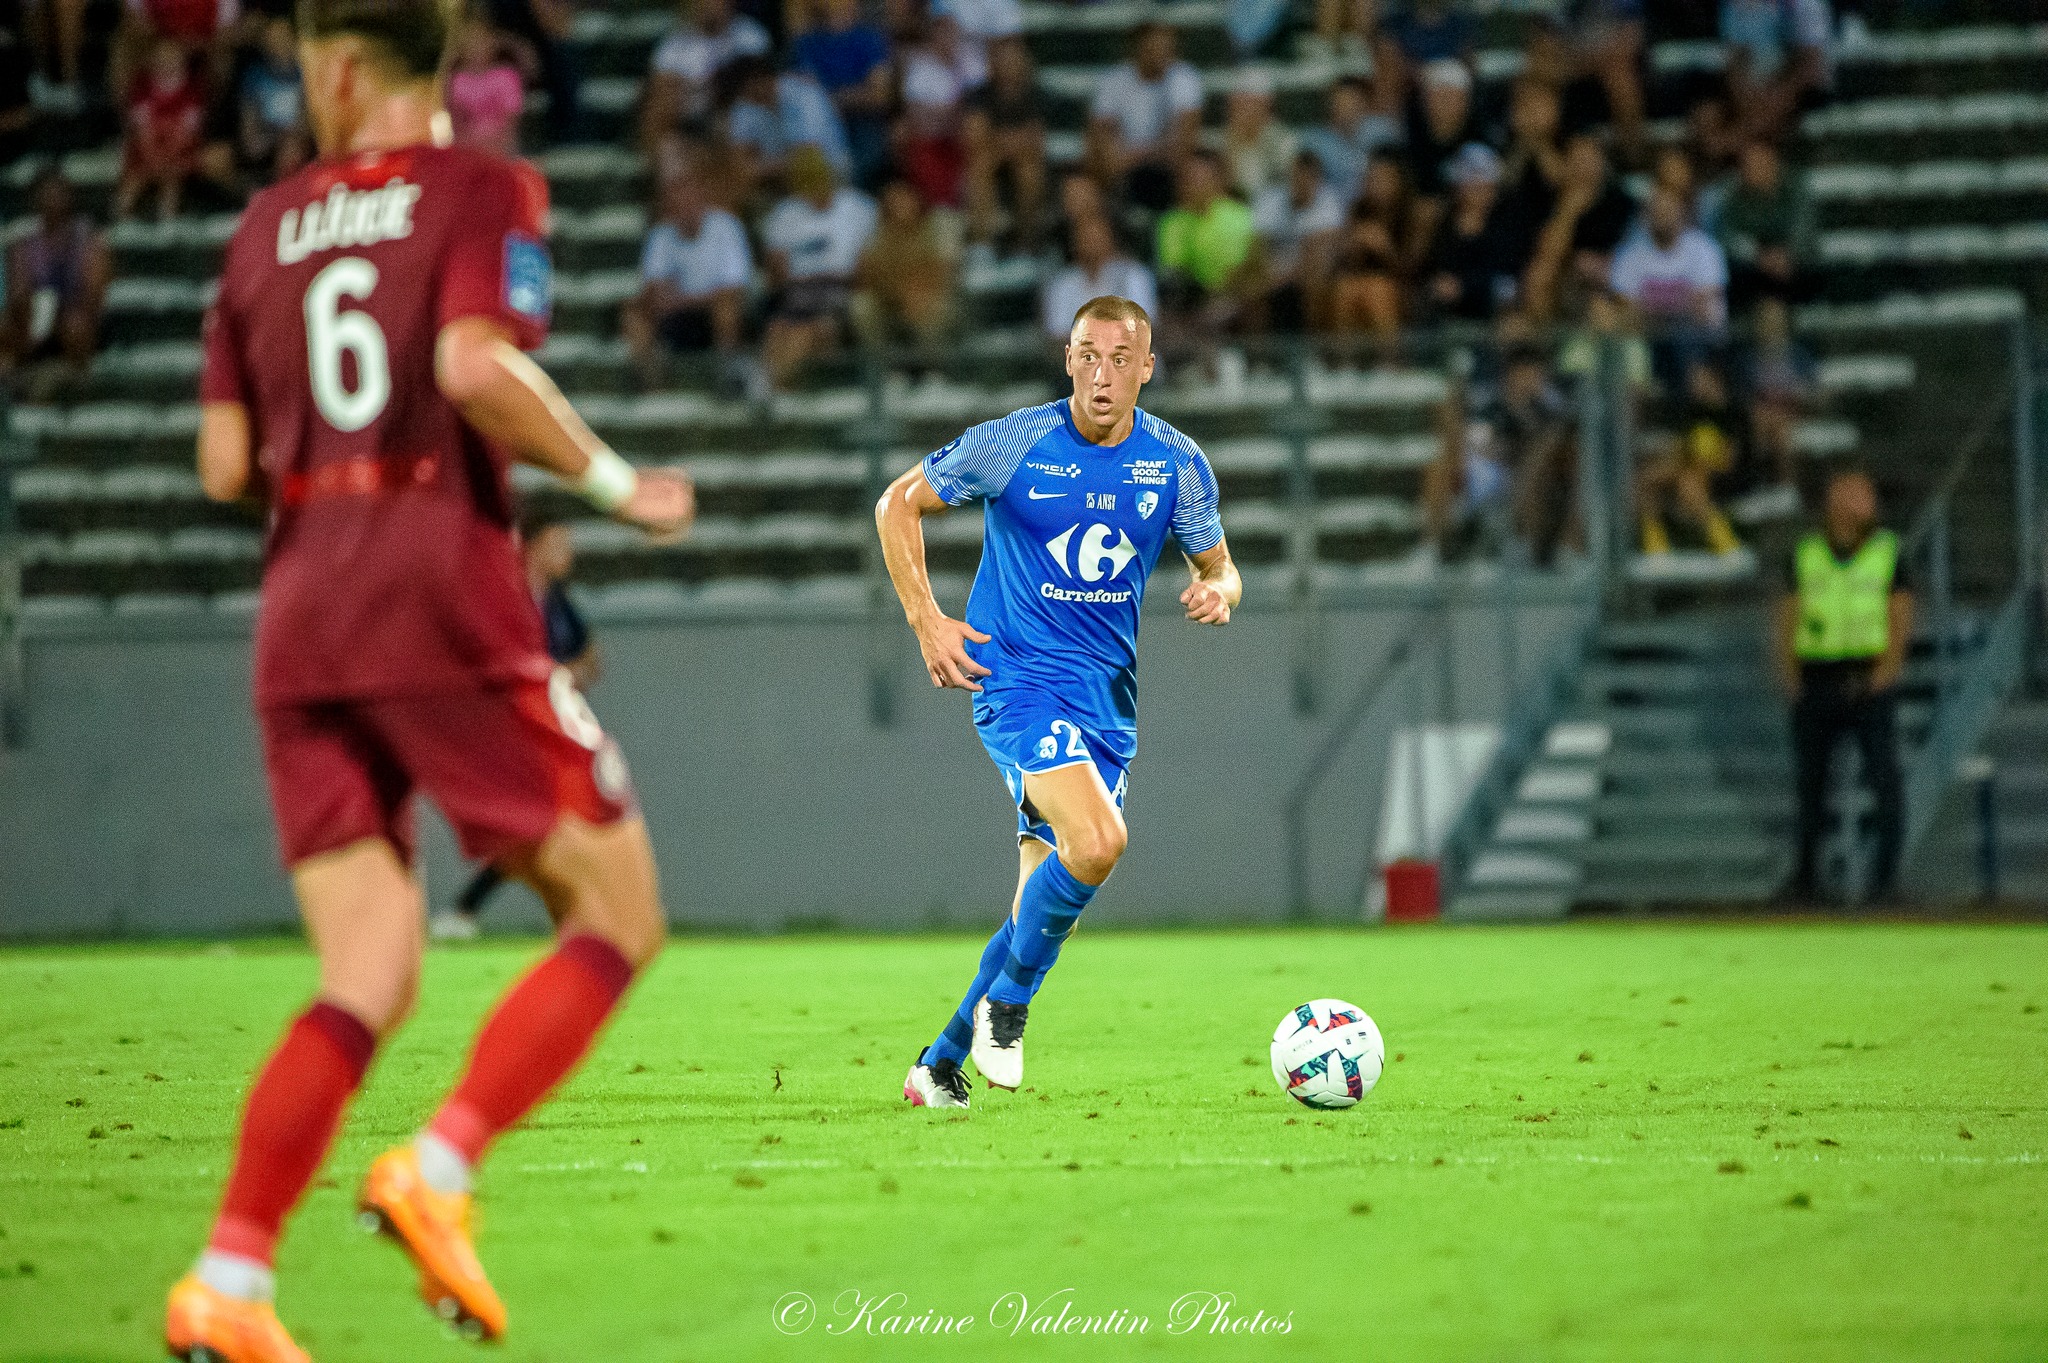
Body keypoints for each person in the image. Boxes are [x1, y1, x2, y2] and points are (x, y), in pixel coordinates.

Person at [163, 0, 695, 1356]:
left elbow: (224, 467)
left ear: (339, 70)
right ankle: (440, 1165)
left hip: (300, 620)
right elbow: (473, 363)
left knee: (369, 966)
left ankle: (230, 1277)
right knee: (618, 908)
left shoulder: (260, 225)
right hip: (437, 594)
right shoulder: (479, 186)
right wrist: (621, 484)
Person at [876, 294, 1239, 1109]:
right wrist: (928, 620)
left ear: (1148, 367)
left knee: (1040, 908)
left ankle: (938, 1066)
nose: (1101, 375)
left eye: (1120, 359)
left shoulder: (1176, 462)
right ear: (1067, 358)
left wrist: (1221, 588)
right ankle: (1009, 1008)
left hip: (1107, 703)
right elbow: (896, 503)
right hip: (1016, 683)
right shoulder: (1015, 443)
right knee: (1102, 840)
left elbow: (1220, 563)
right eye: (1086, 355)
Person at [431, 502, 603, 942]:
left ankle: (479, 911)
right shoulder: (501, 595)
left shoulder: (558, 601)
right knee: (541, 821)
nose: (569, 553)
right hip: (503, 726)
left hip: (547, 723)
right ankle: (565, 915)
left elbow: (589, 659)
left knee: (549, 821)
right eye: (560, 543)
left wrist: (562, 678)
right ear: (535, 545)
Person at [1776, 468, 1912, 905]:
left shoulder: (1888, 552)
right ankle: (1806, 880)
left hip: (1867, 678)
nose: (1863, 502)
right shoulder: (1808, 552)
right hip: (1818, 678)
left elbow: (1901, 614)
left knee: (1884, 781)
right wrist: (1791, 676)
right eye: (1854, 493)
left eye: (1866, 494)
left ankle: (1884, 883)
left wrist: (1886, 672)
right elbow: (1788, 614)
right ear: (1833, 498)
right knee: (1811, 786)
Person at [759, 143, 878, 391]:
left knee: (807, 333)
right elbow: (776, 273)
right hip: (798, 294)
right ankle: (773, 391)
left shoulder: (859, 209)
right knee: (777, 330)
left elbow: (868, 265)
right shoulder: (785, 214)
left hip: (840, 291)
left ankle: (776, 391)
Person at [621, 172, 750, 388]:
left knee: (726, 307)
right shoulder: (661, 236)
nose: (684, 208)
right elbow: (653, 293)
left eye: (689, 200)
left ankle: (729, 376)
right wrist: (682, 299)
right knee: (633, 316)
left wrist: (681, 298)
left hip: (715, 317)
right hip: (679, 318)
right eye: (677, 203)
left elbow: (733, 289)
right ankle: (653, 389)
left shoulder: (725, 227)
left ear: (701, 199)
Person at [1, 165, 110, 395]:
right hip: (35, 316)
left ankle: (72, 371)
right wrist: (31, 308)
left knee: (75, 325)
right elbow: (18, 289)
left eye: (58, 193)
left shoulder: (89, 241)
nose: (52, 200)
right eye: (46, 194)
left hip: (74, 315)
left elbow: (95, 294)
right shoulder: (24, 246)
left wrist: (60, 310)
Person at [1084, 22, 1201, 214]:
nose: (1161, 55)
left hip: (1165, 168)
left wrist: (1139, 154)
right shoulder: (1113, 81)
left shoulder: (1184, 78)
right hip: (1125, 167)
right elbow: (1101, 135)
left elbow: (1185, 141)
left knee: (1191, 166)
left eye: (1167, 49)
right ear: (1137, 49)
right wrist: (1127, 158)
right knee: (1097, 155)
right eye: (1154, 49)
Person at [791, 0, 893, 187]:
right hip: (817, 128)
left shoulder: (869, 40)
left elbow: (879, 95)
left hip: (861, 125)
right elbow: (801, 95)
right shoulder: (805, 43)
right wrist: (845, 96)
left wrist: (831, 98)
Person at [641, 0, 770, 144]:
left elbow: (753, 83)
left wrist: (704, 88)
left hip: (729, 108)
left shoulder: (749, 34)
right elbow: (660, 85)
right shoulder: (676, 41)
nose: (706, 4)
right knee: (660, 104)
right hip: (687, 107)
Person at [961, 34, 1045, 250]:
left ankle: (1026, 240)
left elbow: (1035, 139)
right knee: (980, 166)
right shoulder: (979, 94)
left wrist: (1000, 141)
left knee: (1029, 172)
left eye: (1014, 59)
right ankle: (982, 243)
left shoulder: (1033, 94)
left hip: (1020, 159)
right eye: (1003, 59)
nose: (1009, 65)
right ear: (993, 62)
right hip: (989, 158)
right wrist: (1011, 142)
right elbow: (975, 136)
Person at [1251, 150, 1344, 333]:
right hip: (1272, 273)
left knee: (1314, 278)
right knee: (1250, 280)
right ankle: (1259, 355)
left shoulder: (1328, 202)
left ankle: (1313, 349)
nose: (1300, 182)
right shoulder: (1271, 200)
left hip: (1306, 275)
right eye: (1296, 175)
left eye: (1307, 177)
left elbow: (1316, 253)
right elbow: (1257, 245)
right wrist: (1265, 276)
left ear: (1316, 180)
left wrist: (1282, 279)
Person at [117, 37, 208, 221]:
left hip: (179, 150)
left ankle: (167, 217)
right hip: (147, 149)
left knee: (173, 173)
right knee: (135, 174)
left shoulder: (193, 89)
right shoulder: (141, 86)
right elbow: (142, 130)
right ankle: (121, 215)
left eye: (172, 56)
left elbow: (188, 131)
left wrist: (167, 157)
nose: (167, 61)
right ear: (152, 60)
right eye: (162, 56)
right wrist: (154, 157)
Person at [1040, 213, 1156, 344]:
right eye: (1084, 236)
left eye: (1097, 235)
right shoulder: (1062, 283)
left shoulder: (1134, 275)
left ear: (1111, 238)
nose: (1091, 242)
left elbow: (1144, 327)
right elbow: (1057, 334)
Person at [1297, 74, 1400, 206]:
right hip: (1333, 211)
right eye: (1341, 102)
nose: (1347, 108)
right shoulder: (1313, 141)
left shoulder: (1383, 130)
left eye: (1352, 101)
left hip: (1377, 207)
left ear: (1364, 103)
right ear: (1330, 104)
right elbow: (1307, 185)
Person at [236, 16, 310, 183]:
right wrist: (264, 138)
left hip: (298, 140)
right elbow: (249, 124)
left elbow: (305, 122)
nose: (279, 43)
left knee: (291, 149)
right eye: (273, 38)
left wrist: (291, 137)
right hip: (267, 139)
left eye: (284, 37)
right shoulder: (254, 76)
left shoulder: (307, 74)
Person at [445, 12, 530, 156]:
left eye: (481, 41)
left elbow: (511, 122)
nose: (476, 48)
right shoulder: (456, 80)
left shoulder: (506, 77)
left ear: (493, 43)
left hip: (503, 147)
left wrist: (495, 145)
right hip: (469, 149)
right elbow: (456, 123)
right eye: (470, 42)